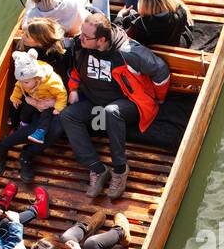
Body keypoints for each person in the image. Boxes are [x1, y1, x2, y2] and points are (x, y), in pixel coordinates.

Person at [62, 11, 171, 200]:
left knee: (112, 112)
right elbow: (74, 70)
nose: (81, 38)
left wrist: (159, 99)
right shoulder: (81, 46)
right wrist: (73, 89)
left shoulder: (128, 53)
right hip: (94, 102)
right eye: (81, 33)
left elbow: (161, 71)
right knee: (68, 116)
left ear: (102, 40)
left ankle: (120, 170)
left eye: (87, 37)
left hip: (127, 104)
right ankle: (97, 169)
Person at [0, 49, 68, 182]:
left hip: (54, 107)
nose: (22, 84)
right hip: (33, 105)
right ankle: (2, 146)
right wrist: (29, 100)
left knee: (55, 128)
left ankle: (27, 154)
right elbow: (19, 87)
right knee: (37, 126)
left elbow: (62, 93)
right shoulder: (24, 75)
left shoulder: (50, 77)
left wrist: (55, 104)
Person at [117, 0, 193, 47]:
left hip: (152, 51)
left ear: (144, 4)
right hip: (175, 45)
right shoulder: (180, 12)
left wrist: (119, 16)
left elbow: (119, 37)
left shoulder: (141, 25)